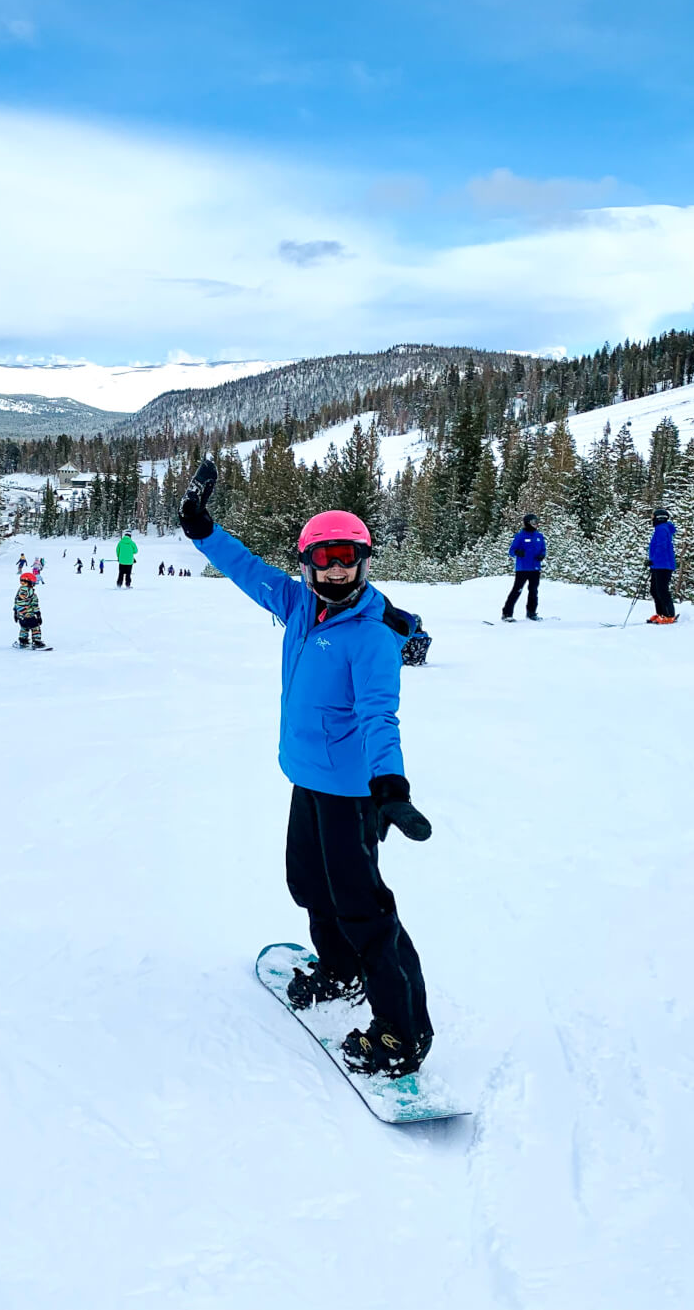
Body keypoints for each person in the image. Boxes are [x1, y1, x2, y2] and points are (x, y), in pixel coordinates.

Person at [180, 460, 434, 1078]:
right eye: (325, 558)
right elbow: (245, 570)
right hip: (307, 777)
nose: (337, 568)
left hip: (353, 791)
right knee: (309, 886)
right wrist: (201, 529)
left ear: (363, 561)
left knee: (365, 911)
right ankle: (340, 969)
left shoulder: (371, 635)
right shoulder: (298, 605)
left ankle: (403, 1032)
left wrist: (389, 786)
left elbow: (381, 715)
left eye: (348, 557)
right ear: (309, 563)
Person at [501, 513, 546, 621]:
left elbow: (543, 549)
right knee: (517, 590)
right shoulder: (520, 536)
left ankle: (531, 613)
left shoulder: (539, 536)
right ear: (527, 523)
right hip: (523, 568)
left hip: (535, 568)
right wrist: (517, 552)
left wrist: (542, 555)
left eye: (537, 522)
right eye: (534, 522)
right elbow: (511, 550)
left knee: (533, 591)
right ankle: (507, 614)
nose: (536, 524)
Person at [646, 506, 678, 624]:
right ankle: (661, 613)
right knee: (654, 590)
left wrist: (653, 559)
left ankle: (669, 615)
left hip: (663, 564)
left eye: (653, 516)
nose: (651, 518)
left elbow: (661, 546)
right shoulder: (661, 528)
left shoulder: (662, 529)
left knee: (661, 590)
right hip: (658, 564)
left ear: (658, 518)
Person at [13, 571, 48, 649]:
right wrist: (38, 614)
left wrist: (15, 613)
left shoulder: (19, 592)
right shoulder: (32, 593)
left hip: (20, 615)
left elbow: (16, 603)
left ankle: (23, 640)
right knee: (35, 627)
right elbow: (34, 604)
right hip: (29, 614)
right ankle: (37, 641)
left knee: (24, 627)